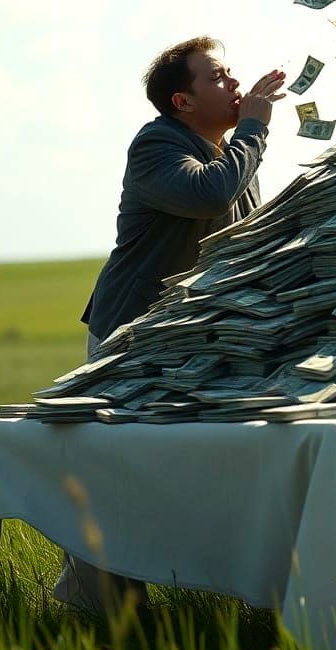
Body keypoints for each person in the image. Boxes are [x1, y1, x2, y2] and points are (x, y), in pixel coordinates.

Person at [52, 35, 286, 615]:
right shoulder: (158, 144)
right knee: (113, 468)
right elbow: (207, 196)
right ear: (183, 102)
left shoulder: (232, 156)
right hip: (132, 337)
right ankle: (97, 608)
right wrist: (255, 129)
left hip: (197, 338)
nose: (235, 84)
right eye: (220, 76)